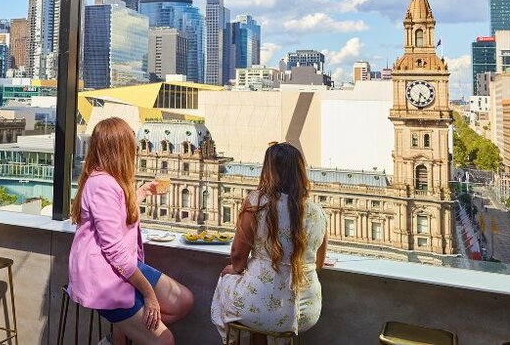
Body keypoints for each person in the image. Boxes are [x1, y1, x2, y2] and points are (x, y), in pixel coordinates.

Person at [69, 117, 194, 345]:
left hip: (119, 267)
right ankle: (124, 335)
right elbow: (115, 252)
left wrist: (142, 192)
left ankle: (122, 336)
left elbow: (115, 216)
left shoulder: (106, 180)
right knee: (165, 341)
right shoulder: (103, 186)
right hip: (104, 279)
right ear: (120, 149)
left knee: (183, 301)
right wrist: (149, 295)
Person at [211, 142, 327, 344]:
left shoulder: (257, 203)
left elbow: (238, 255)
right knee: (266, 315)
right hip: (304, 310)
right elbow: (319, 263)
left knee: (228, 281)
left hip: (260, 305)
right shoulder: (318, 212)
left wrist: (235, 269)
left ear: (269, 171)